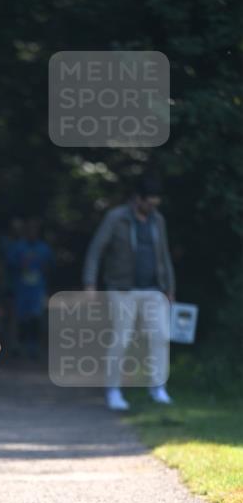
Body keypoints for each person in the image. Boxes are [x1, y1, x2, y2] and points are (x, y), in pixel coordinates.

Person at [82, 175, 176, 411]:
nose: (153, 208)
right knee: (121, 339)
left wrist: (170, 287)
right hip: (121, 289)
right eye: (149, 203)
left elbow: (164, 255)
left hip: (154, 289)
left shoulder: (158, 220)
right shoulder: (116, 218)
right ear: (137, 199)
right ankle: (113, 391)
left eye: (156, 204)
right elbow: (96, 250)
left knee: (160, 337)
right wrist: (90, 284)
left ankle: (157, 388)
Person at [4, 215, 54, 359]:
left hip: (37, 289)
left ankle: (34, 347)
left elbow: (50, 266)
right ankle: (16, 346)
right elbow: (9, 265)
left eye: (35, 229)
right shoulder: (17, 247)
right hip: (20, 288)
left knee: (36, 318)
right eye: (30, 229)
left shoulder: (44, 248)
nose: (32, 232)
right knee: (19, 318)